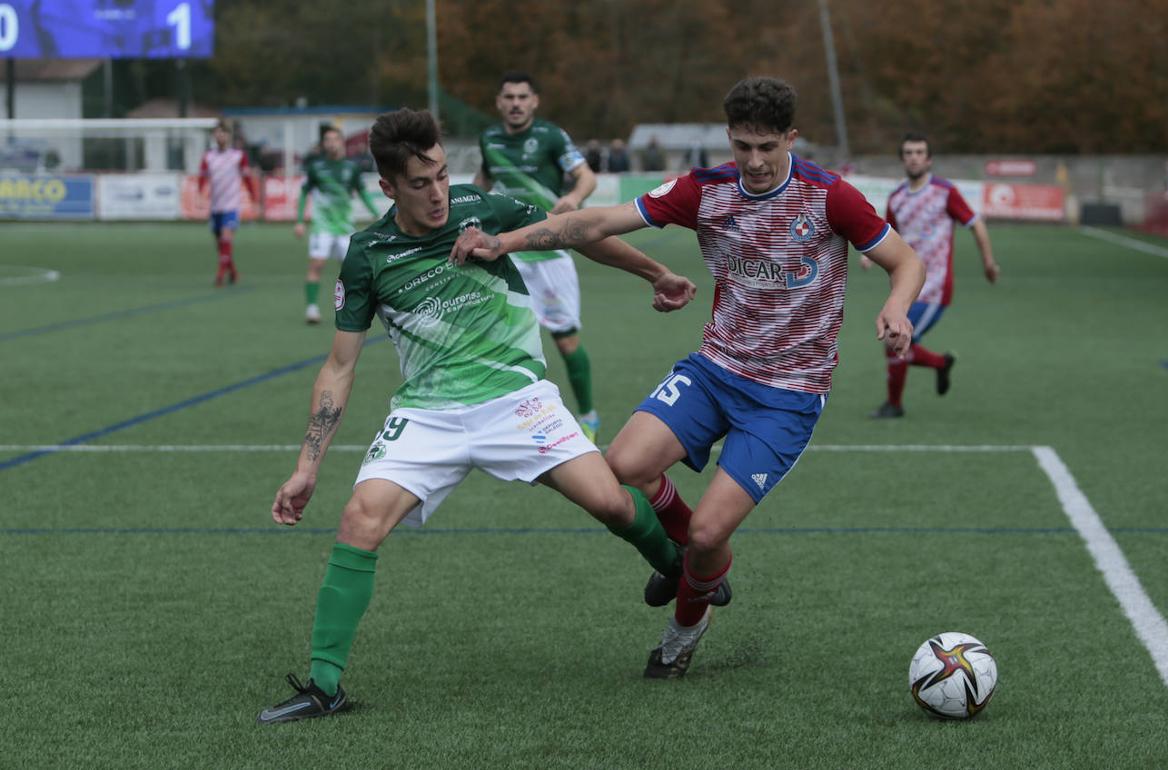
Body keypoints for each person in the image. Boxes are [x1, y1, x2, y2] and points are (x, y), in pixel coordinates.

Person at [452, 77, 924, 679]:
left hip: (787, 395)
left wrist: (898, 305)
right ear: (729, 138)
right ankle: (690, 563)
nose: (753, 161)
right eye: (742, 146)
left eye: (766, 148)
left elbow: (906, 260)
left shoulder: (830, 197)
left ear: (791, 139)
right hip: (714, 370)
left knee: (708, 534)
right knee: (622, 467)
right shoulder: (704, 190)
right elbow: (594, 224)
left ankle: (685, 624)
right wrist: (506, 241)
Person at [257, 108, 703, 724]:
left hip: (518, 402)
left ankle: (681, 569)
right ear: (388, 187)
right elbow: (338, 367)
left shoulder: (483, 208)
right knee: (359, 520)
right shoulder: (367, 254)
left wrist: (655, 272)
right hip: (428, 415)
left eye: (441, 174)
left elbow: (574, 229)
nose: (438, 192)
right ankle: (324, 685)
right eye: (419, 182)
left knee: (610, 502)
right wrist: (307, 466)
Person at [475, 72, 602, 442]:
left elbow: (586, 177)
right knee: (502, 340)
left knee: (565, 340)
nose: (515, 103)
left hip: (549, 254)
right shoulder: (489, 138)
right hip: (508, 253)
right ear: (499, 102)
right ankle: (506, 421)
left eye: (522, 97)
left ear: (534, 102)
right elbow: (483, 183)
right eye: (508, 97)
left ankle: (588, 416)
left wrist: (574, 199)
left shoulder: (550, 136)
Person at [859, 132, 999, 418]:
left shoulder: (945, 192)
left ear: (929, 158)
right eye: (908, 152)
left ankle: (895, 405)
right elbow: (887, 233)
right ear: (902, 159)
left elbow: (976, 224)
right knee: (895, 338)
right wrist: (867, 255)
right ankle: (938, 364)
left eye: (919, 152)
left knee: (893, 338)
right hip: (906, 285)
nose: (914, 157)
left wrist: (988, 262)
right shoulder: (897, 198)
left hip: (935, 287)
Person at [294, 125, 381, 324]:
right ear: (324, 144)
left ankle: (350, 308)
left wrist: (376, 213)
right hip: (322, 227)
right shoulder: (316, 167)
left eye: (335, 139)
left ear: (342, 142)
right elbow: (304, 193)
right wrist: (299, 221)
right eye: (327, 140)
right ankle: (312, 308)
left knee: (351, 269)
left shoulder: (351, 168)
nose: (331, 143)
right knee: (317, 265)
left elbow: (362, 193)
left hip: (344, 228)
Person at [198, 120, 257, 286]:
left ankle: (220, 276)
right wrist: (200, 193)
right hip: (216, 206)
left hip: (231, 205)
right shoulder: (209, 156)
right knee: (221, 245)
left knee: (226, 238)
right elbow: (202, 177)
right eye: (217, 132)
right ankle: (234, 272)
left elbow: (247, 178)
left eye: (223, 132)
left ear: (229, 136)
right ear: (213, 136)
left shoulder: (238, 156)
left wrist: (253, 196)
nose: (220, 135)